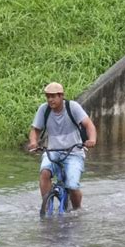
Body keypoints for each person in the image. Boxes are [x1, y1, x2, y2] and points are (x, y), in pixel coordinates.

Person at [28, 82, 97, 210]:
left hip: (74, 152)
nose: (50, 99)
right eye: (48, 96)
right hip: (52, 151)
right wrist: (33, 142)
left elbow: (89, 125)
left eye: (53, 96)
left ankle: (77, 210)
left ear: (61, 96)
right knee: (44, 173)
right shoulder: (44, 109)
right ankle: (46, 206)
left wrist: (92, 140)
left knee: (72, 186)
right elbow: (35, 130)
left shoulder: (73, 107)